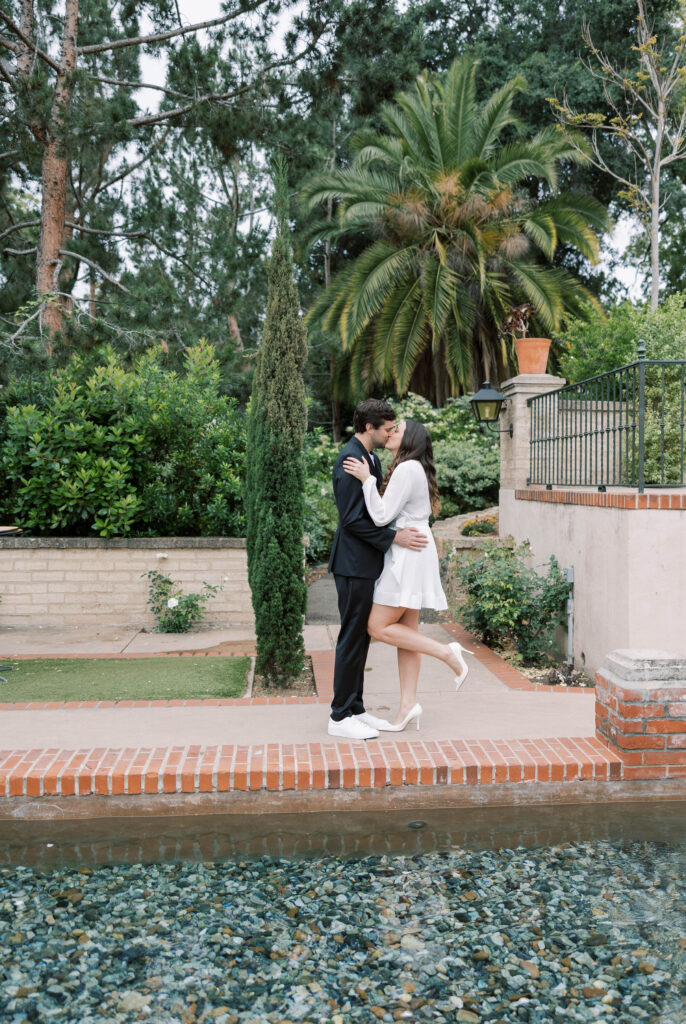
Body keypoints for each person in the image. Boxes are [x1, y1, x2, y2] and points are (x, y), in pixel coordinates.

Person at [342, 419, 472, 732]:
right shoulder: (416, 468)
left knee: (377, 625)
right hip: (414, 550)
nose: (390, 432)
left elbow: (382, 515)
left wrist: (366, 480)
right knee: (406, 632)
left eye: (397, 429)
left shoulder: (406, 468)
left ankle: (447, 652)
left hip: (406, 556)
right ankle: (407, 705)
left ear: (409, 439)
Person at [328, 399, 430, 740]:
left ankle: (355, 708)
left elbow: (376, 509)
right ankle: (339, 716)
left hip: (367, 564)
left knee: (360, 639)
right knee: (351, 638)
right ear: (368, 427)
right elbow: (352, 520)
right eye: (387, 428)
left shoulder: (369, 458)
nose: (390, 433)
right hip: (353, 565)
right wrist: (394, 537)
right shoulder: (349, 458)